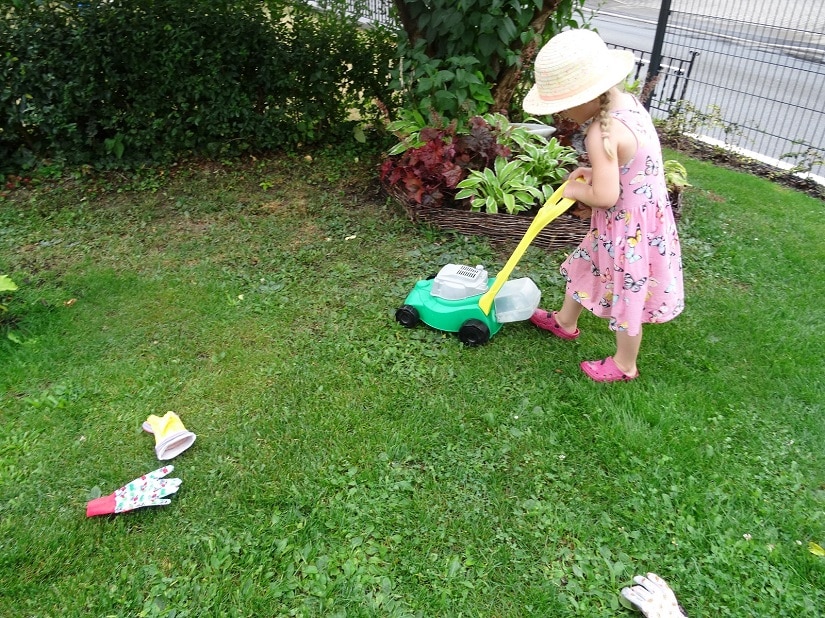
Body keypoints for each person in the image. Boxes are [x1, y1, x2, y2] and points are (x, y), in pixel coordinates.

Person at [522, 29, 684, 382]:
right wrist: (593, 172)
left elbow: (606, 197)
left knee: (628, 292)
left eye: (564, 104)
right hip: (640, 220)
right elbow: (627, 167)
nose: (563, 113)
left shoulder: (600, 133)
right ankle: (565, 322)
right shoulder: (627, 106)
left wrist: (574, 191)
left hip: (629, 231)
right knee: (586, 264)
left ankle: (625, 364)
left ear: (587, 96)